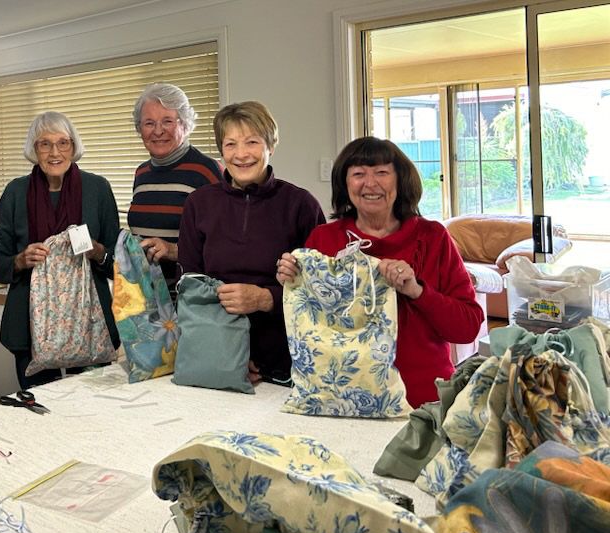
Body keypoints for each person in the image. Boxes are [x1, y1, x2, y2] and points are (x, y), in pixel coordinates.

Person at [277, 136, 484, 407]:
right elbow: (308, 326)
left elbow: (467, 328)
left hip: (421, 400)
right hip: (339, 399)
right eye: (358, 174)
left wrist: (417, 291)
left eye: (382, 172)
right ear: (345, 183)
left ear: (400, 180)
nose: (370, 183)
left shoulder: (433, 238)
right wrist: (292, 279)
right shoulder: (324, 239)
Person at [177, 101, 325, 387]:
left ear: (271, 145)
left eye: (252, 142)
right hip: (217, 355)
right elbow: (191, 290)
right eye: (230, 144)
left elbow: (321, 290)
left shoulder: (301, 205)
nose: (241, 154)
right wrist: (227, 354)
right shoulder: (199, 204)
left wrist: (265, 298)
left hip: (289, 361)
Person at [0, 111, 121, 390]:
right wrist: (21, 260)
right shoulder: (15, 192)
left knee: (93, 406)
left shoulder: (97, 189)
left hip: (89, 323)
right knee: (41, 407)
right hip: (30, 325)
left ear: (73, 146)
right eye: (44, 144)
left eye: (63, 143)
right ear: (33, 149)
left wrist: (96, 251)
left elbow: (118, 265)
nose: (54, 152)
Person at [128, 83, 223, 284]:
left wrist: (173, 251)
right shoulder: (141, 173)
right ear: (139, 128)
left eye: (168, 121)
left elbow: (224, 246)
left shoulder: (207, 171)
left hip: (189, 295)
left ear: (185, 124)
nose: (158, 131)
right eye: (149, 123)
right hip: (146, 293)